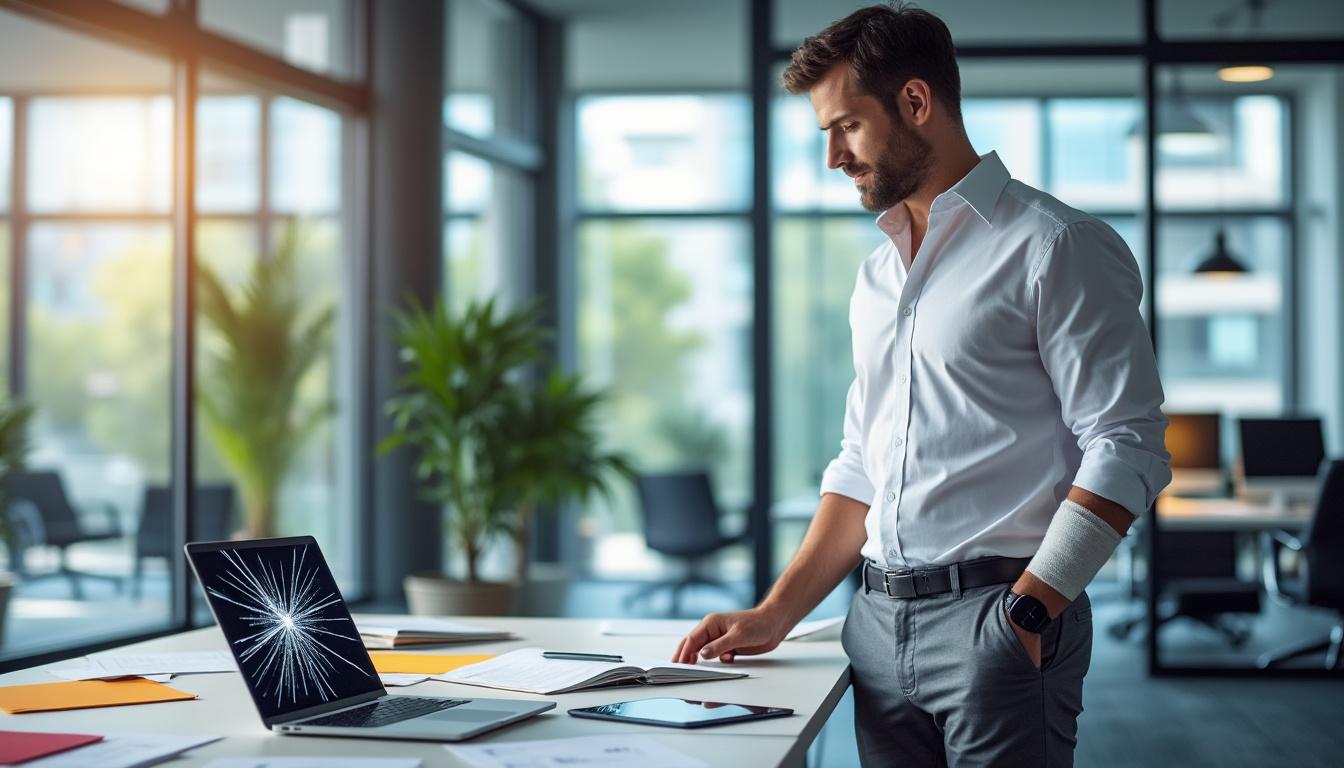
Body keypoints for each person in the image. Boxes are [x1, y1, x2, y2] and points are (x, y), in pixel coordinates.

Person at [672, 3, 1170, 765]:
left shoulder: (1055, 245)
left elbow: (1127, 444)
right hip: (872, 621)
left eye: (848, 127)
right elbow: (860, 465)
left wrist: (1030, 613)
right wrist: (776, 612)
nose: (834, 156)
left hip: (998, 618)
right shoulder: (878, 273)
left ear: (915, 102)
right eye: (826, 134)